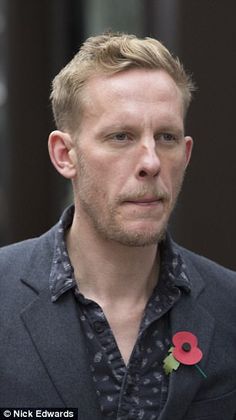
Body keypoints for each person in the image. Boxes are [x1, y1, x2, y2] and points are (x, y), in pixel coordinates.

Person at [1, 32, 236, 420]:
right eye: (121, 136)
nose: (151, 161)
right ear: (65, 155)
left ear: (186, 153)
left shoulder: (229, 307)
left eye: (166, 137)